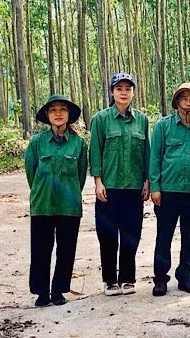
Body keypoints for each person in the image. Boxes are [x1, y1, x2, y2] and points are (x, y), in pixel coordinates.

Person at [149, 82, 190, 296]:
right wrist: (155, 187)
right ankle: (160, 279)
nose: (188, 102)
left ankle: (185, 277)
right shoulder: (163, 126)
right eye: (184, 98)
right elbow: (155, 159)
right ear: (177, 101)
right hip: (168, 191)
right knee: (164, 236)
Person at [25, 95, 88, 307]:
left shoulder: (79, 144)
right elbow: (31, 174)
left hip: (69, 205)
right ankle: (42, 293)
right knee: (41, 249)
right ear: (47, 116)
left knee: (66, 249)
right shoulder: (36, 143)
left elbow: (80, 176)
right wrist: (41, 192)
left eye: (63, 109)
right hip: (42, 204)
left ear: (69, 115)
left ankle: (59, 291)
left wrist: (69, 193)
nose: (58, 113)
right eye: (53, 110)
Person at [90, 73, 150, 296]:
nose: (124, 92)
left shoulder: (142, 120)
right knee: (107, 236)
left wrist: (147, 179)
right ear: (112, 92)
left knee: (131, 234)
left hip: (134, 187)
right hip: (108, 187)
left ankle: (128, 278)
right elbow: (95, 152)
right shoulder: (100, 119)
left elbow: (147, 152)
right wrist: (98, 182)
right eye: (119, 88)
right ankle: (109, 280)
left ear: (133, 92)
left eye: (128, 88)